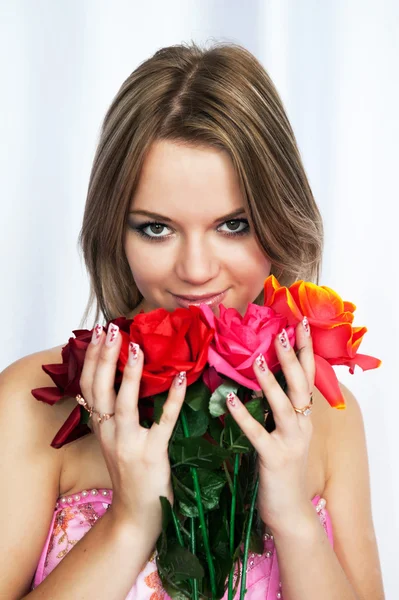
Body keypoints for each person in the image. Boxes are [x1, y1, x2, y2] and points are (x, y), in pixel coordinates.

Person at [0, 42, 385, 600]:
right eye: (156, 228)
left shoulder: (328, 418)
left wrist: (295, 522)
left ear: (280, 218)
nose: (197, 271)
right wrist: (130, 522)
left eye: (233, 224)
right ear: (114, 229)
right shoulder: (29, 403)